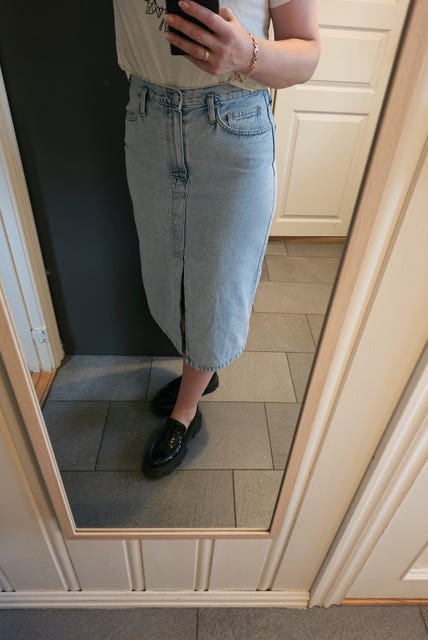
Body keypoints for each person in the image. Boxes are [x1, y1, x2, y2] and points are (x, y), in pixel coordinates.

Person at [112, 0, 320, 478]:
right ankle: (201, 373)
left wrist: (247, 53)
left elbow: (308, 53)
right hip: (146, 117)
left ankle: (185, 409)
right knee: (166, 273)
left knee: (217, 285)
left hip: (232, 120)